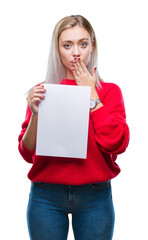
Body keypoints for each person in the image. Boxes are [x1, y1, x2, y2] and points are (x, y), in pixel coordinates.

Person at [18, 15, 130, 240]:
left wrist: (91, 94)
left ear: (92, 46)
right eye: (67, 45)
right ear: (57, 49)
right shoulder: (43, 91)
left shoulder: (109, 91)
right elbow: (27, 153)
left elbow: (116, 143)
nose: (76, 52)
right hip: (46, 195)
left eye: (83, 44)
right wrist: (36, 115)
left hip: (95, 196)